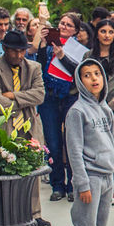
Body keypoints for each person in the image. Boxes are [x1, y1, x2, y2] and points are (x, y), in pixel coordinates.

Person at [0, 29, 49, 226]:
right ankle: (7, 214)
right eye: (15, 52)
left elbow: (40, 96)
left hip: (29, 124)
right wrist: (22, 98)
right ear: (4, 49)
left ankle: (34, 214)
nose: (19, 55)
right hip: (3, 126)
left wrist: (13, 95)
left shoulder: (34, 67)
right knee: (4, 170)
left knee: (33, 169)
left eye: (22, 51)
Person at [66, 59, 114, 226]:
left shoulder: (106, 109)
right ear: (80, 81)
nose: (94, 78)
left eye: (97, 73)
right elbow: (74, 151)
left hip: (107, 177)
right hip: (90, 179)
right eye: (87, 75)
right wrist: (82, 183)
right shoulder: (77, 112)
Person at [34, 12, 82, 201]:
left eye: (69, 25)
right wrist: (43, 45)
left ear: (76, 30)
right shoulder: (47, 45)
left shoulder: (78, 49)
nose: (64, 27)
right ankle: (57, 185)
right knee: (53, 143)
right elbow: (39, 67)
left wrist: (62, 56)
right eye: (62, 23)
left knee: (71, 142)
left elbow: (79, 73)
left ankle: (72, 185)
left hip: (70, 97)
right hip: (49, 98)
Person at [85, 20, 114, 204]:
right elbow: (84, 81)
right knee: (93, 148)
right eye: (103, 31)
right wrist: (95, 105)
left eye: (110, 32)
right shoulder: (89, 55)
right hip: (92, 109)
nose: (107, 35)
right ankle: (95, 190)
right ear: (97, 33)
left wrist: (109, 106)